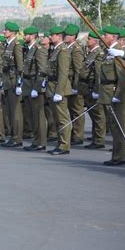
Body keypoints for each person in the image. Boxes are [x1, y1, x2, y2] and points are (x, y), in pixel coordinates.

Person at [101, 25, 125, 166]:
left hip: (116, 93)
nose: (103, 37)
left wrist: (118, 94)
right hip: (108, 92)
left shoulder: (118, 51)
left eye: (106, 35)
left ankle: (120, 157)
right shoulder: (109, 51)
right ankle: (116, 155)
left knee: (119, 125)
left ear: (113, 37)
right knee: (114, 126)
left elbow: (123, 76)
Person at [45, 26, 72, 155]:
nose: (51, 37)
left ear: (59, 36)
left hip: (58, 88)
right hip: (52, 87)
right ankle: (60, 143)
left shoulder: (63, 51)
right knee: (56, 118)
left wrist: (59, 92)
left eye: (53, 35)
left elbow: (63, 73)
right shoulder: (55, 50)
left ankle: (65, 145)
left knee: (62, 119)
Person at [21, 26, 49, 151]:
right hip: (28, 85)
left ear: (32, 36)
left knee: (38, 116)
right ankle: (36, 140)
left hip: (34, 86)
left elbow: (42, 71)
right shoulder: (29, 49)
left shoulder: (39, 50)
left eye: (26, 35)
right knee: (33, 115)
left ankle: (41, 142)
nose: (24, 37)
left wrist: (37, 88)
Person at [0, 22, 24, 147]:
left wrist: (19, 83)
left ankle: (17, 138)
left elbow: (20, 67)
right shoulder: (8, 45)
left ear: (13, 32)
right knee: (10, 111)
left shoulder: (16, 45)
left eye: (6, 30)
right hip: (7, 80)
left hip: (14, 81)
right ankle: (13, 137)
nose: (4, 32)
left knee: (16, 112)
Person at [81, 31, 106, 149]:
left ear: (95, 41)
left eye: (89, 38)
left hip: (93, 87)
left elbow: (98, 74)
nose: (87, 40)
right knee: (93, 114)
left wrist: (97, 90)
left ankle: (99, 140)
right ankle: (95, 138)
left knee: (98, 115)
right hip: (87, 87)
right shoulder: (91, 52)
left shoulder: (98, 53)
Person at [64, 24, 85, 145]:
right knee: (71, 110)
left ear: (73, 36)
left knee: (77, 110)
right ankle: (74, 134)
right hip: (69, 83)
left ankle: (78, 135)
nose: (65, 37)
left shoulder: (76, 49)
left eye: (67, 35)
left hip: (74, 84)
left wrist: (76, 87)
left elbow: (78, 70)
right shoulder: (68, 47)